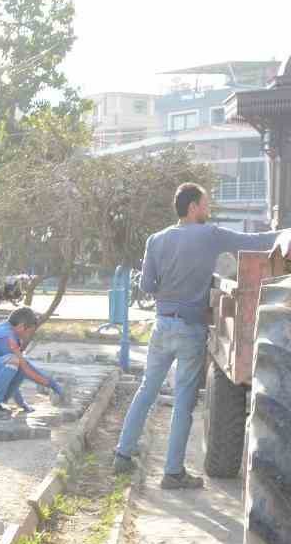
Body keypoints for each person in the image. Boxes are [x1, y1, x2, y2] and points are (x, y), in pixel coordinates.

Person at [114, 183, 281, 489]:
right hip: (190, 329)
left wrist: (169, 290)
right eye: (205, 204)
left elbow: (147, 286)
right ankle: (172, 472)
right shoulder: (210, 235)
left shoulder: (156, 239)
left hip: (162, 325)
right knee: (182, 402)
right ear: (192, 207)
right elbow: (254, 241)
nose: (208, 209)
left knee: (146, 390)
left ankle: (122, 454)